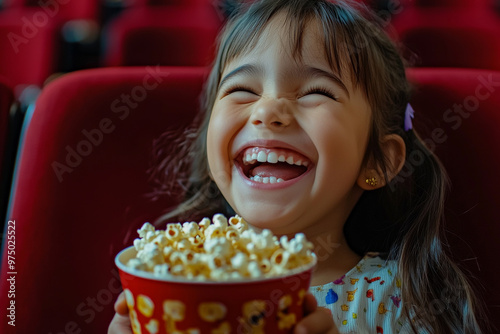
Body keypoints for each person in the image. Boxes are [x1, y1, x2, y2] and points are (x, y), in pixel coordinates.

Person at [109, 0, 487, 333]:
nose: (268, 111)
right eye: (243, 90)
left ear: (378, 161)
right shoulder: (170, 281)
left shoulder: (402, 303)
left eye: (316, 92)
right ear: (211, 151)